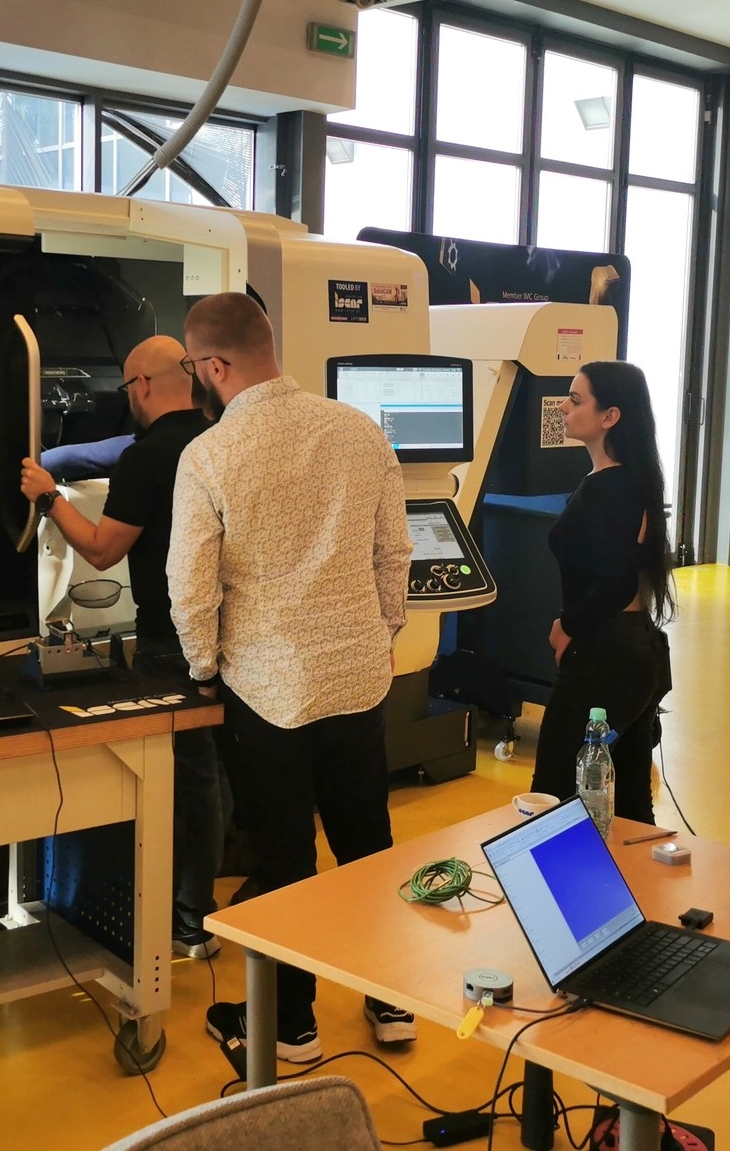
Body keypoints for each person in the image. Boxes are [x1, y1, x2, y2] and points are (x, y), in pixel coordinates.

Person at [166, 291, 417, 1064]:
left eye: (194, 367)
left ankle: (293, 1025)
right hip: (357, 679)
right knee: (368, 843)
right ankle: (391, 1001)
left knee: (285, 858)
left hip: (267, 690)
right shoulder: (357, 429)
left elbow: (190, 588)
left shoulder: (209, 455)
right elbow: (395, 552)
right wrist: (382, 634)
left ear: (214, 365)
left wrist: (202, 669)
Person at [19, 334, 224, 959]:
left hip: (173, 640)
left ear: (142, 386)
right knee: (209, 777)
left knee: (183, 782)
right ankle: (196, 913)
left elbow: (103, 549)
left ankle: (184, 921)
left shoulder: (148, 456)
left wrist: (47, 497)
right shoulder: (219, 439)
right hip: (233, 636)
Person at [530, 360, 675, 823]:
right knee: (630, 803)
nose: (563, 408)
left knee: (553, 793)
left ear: (610, 416)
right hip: (635, 652)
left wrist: (566, 625)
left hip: (607, 656)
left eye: (576, 400)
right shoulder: (626, 480)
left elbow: (617, 580)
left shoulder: (611, 489)